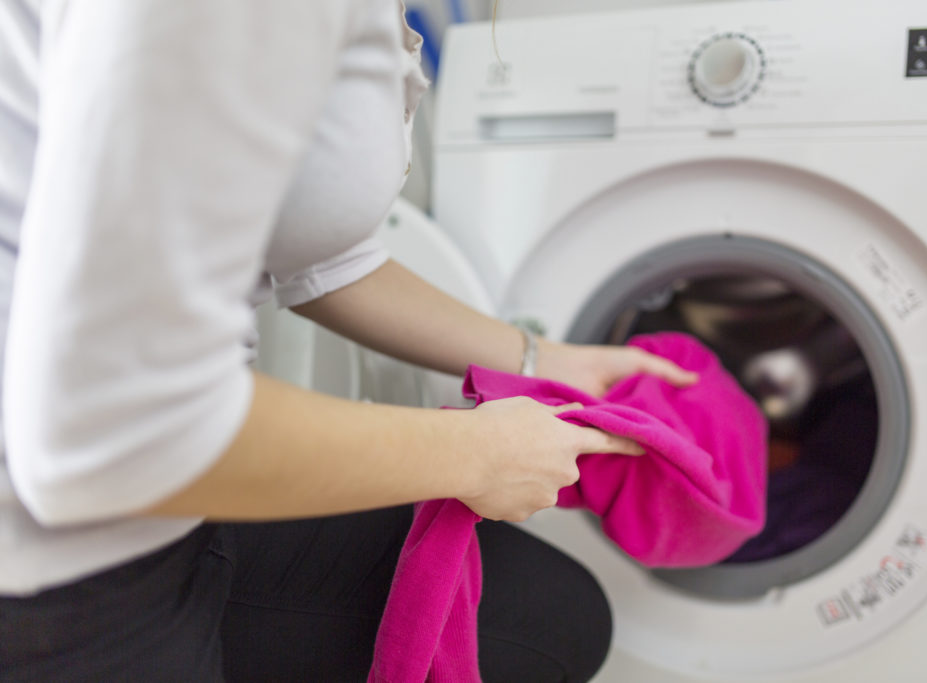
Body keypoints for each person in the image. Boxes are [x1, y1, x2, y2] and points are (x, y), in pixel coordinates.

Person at [0, 2, 694, 681]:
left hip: (160, 504)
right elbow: (118, 427)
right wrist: (479, 454)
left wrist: (548, 360)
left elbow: (320, 256)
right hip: (49, 563)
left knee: (549, 614)